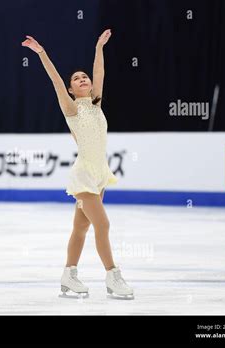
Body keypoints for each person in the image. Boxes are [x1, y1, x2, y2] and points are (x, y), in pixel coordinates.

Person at [22, 29, 134, 299]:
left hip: (100, 174)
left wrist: (99, 47)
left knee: (81, 228)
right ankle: (113, 277)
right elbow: (55, 80)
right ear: (71, 90)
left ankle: (68, 275)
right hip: (84, 174)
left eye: (85, 77)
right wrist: (41, 53)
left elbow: (100, 73)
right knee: (103, 225)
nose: (83, 79)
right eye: (77, 79)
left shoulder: (96, 105)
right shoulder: (72, 108)